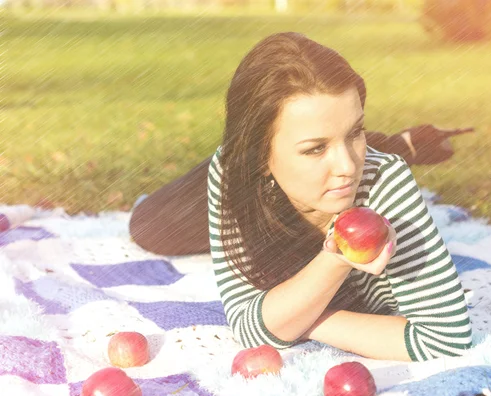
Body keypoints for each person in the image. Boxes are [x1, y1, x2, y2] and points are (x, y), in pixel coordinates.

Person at [129, 32, 473, 361]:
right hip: (262, 187)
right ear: (258, 156)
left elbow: (445, 338)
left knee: (367, 161)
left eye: (357, 131)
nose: (347, 166)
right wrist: (294, 305)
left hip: (297, 170)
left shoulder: (386, 182)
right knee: (149, 228)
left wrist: (322, 283)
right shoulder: (235, 171)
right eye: (315, 149)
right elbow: (248, 327)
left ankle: (389, 144)